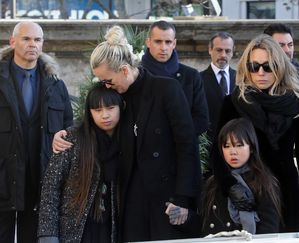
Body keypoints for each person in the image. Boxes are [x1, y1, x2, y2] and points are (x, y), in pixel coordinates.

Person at [53, 25, 201, 241]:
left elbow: (187, 145)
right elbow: (96, 123)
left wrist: (183, 199)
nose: (106, 86)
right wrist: (66, 134)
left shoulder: (166, 89)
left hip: (168, 198)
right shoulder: (118, 96)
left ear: (124, 70)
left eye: (108, 81)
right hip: (132, 198)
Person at [211, 34, 299, 233]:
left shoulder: (297, 104)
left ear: (279, 67)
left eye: (268, 66)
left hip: (286, 193)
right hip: (246, 194)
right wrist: (231, 187)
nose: (260, 72)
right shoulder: (234, 102)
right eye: (254, 66)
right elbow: (217, 151)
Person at [0, 21, 73, 243]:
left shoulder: (55, 84)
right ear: (13, 42)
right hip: (3, 176)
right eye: (26, 39)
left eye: (37, 40)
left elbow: (69, 126)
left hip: (40, 178)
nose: (32, 44)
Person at [38, 83, 123, 243]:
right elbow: (51, 187)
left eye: (110, 108)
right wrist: (47, 234)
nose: (105, 115)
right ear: (89, 112)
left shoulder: (128, 140)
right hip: (75, 227)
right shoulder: (72, 138)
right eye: (97, 110)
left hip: (114, 227)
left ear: (120, 107)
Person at [174, 118, 281, 235]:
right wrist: (185, 216)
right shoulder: (214, 182)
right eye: (227, 146)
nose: (232, 152)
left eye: (239, 145)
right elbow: (204, 226)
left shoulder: (262, 181)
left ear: (251, 147)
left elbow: (269, 227)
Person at [142, 20, 208, 135]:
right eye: (158, 42)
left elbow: (201, 119)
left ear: (174, 43)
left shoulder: (191, 76)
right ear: (148, 42)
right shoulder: (136, 74)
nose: (163, 47)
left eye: (168, 42)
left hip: (180, 147)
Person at [200, 32, 236, 141]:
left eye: (228, 51)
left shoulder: (242, 79)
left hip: (236, 141)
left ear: (233, 52)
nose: (223, 55)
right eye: (219, 50)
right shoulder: (197, 79)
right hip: (208, 144)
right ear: (210, 50)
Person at [263, 23, 299, 88]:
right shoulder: (256, 73)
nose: (287, 50)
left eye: (290, 45)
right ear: (266, 47)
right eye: (281, 45)